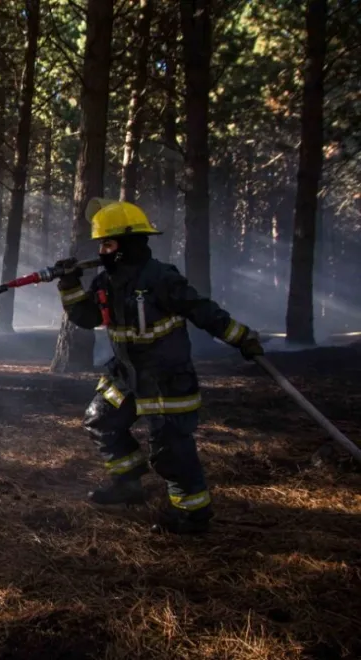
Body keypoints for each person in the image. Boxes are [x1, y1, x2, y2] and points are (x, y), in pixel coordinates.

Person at [55, 198, 264, 534]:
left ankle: (193, 516)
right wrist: (69, 285)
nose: (103, 251)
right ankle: (129, 485)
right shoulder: (107, 281)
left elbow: (203, 311)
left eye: (108, 243)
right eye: (102, 245)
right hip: (126, 373)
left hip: (166, 377)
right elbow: (87, 317)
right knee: (101, 420)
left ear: (127, 244)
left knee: (171, 451)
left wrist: (242, 339)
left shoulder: (162, 278)